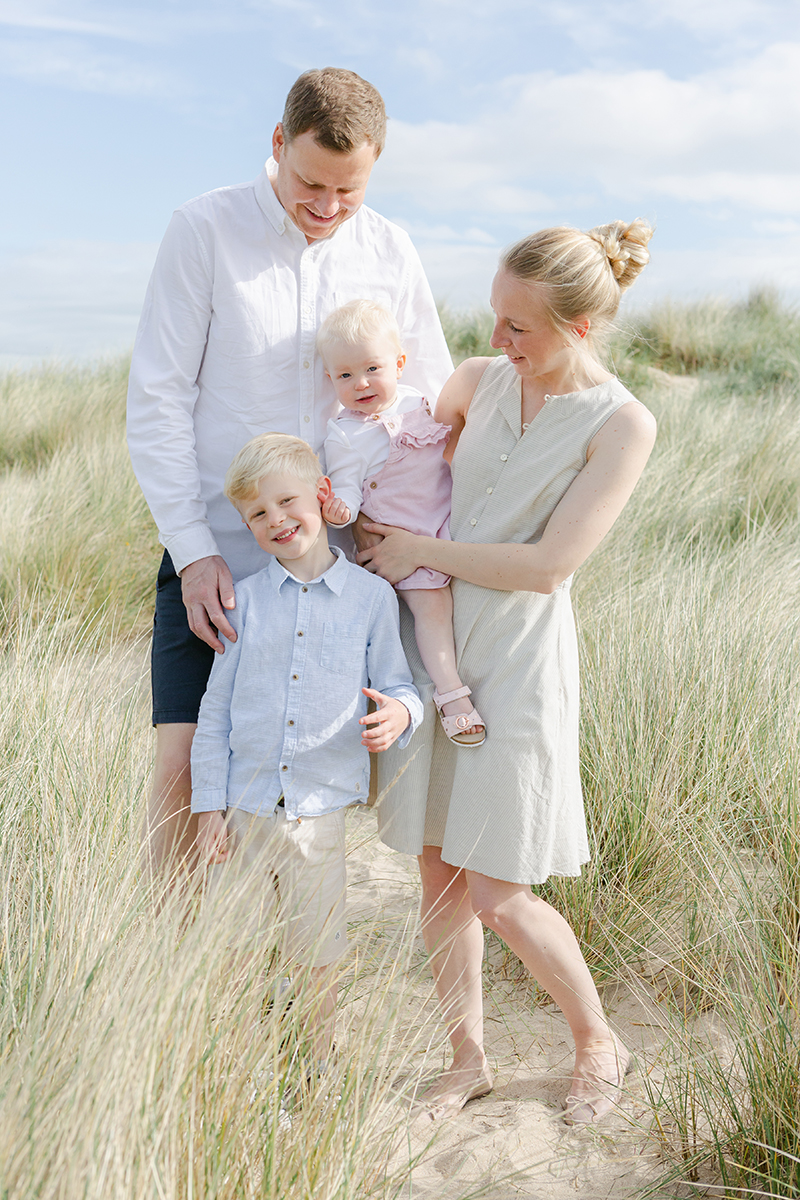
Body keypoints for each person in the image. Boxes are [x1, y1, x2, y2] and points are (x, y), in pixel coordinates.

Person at [357, 220, 658, 1123]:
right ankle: (467, 1057)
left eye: (519, 327)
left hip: (520, 659)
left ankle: (598, 1038)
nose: (496, 341)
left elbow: (547, 568)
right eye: (495, 317)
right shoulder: (476, 383)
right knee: (438, 872)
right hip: (431, 647)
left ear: (578, 328)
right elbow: (399, 459)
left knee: (500, 890)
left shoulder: (622, 424)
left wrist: (413, 546)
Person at [126, 67, 453, 879]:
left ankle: (294, 984)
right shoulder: (202, 229)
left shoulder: (390, 247)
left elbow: (430, 392)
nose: (329, 207)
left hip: (348, 572)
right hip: (220, 559)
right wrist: (194, 551)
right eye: (312, 182)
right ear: (278, 145)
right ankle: (167, 978)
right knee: (184, 770)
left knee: (321, 787)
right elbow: (158, 399)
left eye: (351, 189)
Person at [190, 432, 423, 1077]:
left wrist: (401, 713)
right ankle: (235, 1066)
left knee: (315, 948)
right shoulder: (245, 599)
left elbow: (400, 683)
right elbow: (214, 716)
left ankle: (315, 1062)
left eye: (287, 501)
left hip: (318, 813)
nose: (276, 520)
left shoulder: (371, 600)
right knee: (235, 944)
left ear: (322, 495)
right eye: (257, 515)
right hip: (242, 811)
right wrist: (208, 808)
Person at [318, 299, 485, 747]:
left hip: (440, 523)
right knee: (430, 610)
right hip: (393, 537)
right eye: (345, 375)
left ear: (400, 363)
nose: (362, 383)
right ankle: (452, 695)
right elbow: (348, 485)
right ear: (330, 379)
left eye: (373, 368)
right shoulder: (343, 433)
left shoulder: (421, 402)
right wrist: (343, 510)